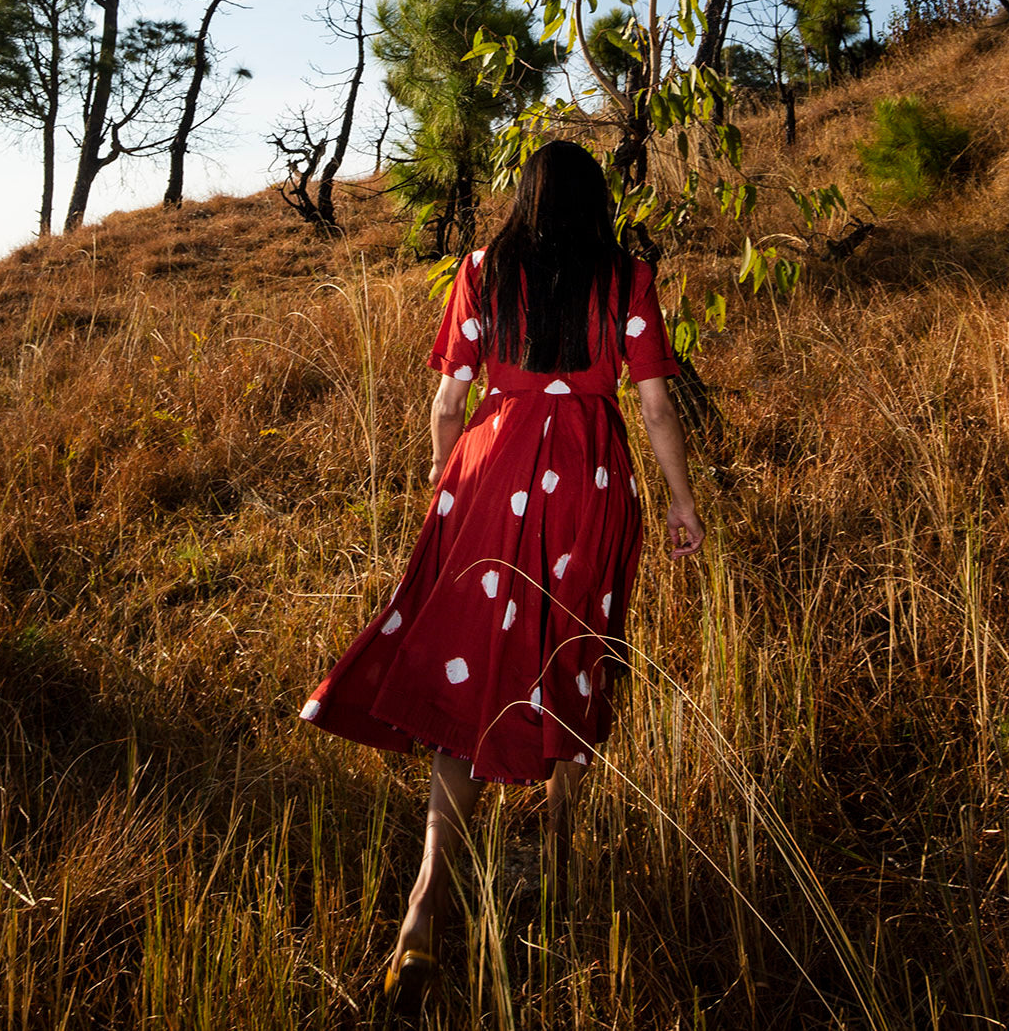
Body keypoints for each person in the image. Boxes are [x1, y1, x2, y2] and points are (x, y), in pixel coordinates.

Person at [300, 140, 705, 1003]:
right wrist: (680, 500)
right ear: (598, 202)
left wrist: (450, 485)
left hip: (491, 470)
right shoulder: (626, 277)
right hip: (592, 481)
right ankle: (560, 870)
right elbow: (657, 402)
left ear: (523, 197)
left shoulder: (482, 268)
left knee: (474, 676)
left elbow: (450, 398)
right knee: (574, 657)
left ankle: (422, 912)